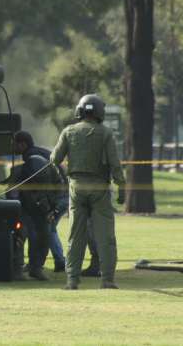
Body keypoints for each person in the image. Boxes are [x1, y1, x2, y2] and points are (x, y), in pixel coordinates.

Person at [50, 94, 126, 290]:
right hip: (100, 190)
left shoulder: (68, 132)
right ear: (100, 112)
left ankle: (72, 281)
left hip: (76, 190)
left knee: (75, 236)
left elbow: (55, 159)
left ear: (79, 112)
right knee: (105, 237)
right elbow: (114, 164)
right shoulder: (106, 133)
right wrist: (121, 187)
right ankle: (107, 280)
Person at [9, 131, 64, 281]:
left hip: (43, 206)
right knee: (21, 233)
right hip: (24, 206)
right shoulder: (18, 172)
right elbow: (11, 193)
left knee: (46, 234)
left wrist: (55, 207)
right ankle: (17, 269)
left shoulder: (51, 170)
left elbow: (60, 188)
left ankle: (36, 267)